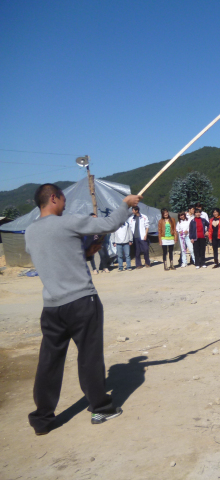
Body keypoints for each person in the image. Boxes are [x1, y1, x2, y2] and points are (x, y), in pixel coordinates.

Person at [25, 183, 141, 434]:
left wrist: (86, 253)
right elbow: (108, 224)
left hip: (52, 307)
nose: (65, 204)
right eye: (63, 199)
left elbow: (56, 256)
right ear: (53, 198)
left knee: (49, 362)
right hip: (81, 302)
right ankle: (101, 408)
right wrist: (125, 204)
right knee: (89, 357)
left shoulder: (30, 232)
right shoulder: (67, 222)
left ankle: (42, 419)